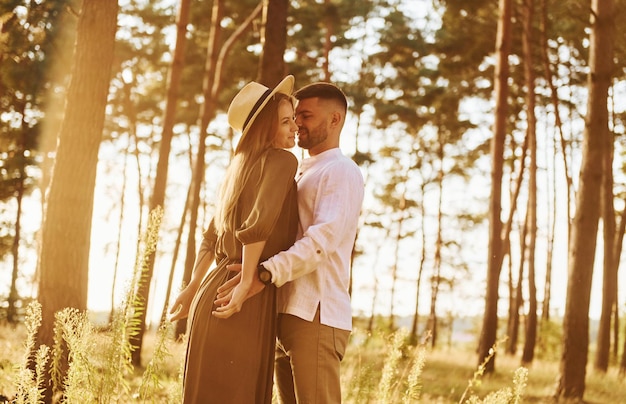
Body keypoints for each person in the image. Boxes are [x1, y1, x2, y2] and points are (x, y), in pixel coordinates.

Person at [214, 82, 365, 403]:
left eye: (307, 116)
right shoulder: (300, 170)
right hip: (284, 312)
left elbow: (320, 242)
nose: (298, 124)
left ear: (335, 120)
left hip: (317, 315)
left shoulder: (341, 171)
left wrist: (264, 273)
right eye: (295, 117)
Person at [169, 75, 300, 403]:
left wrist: (192, 287)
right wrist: (245, 282)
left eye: (294, 119)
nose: (294, 127)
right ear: (267, 127)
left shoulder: (235, 171)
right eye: (286, 121)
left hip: (210, 293)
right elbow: (259, 225)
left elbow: (210, 238)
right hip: (240, 296)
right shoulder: (284, 160)